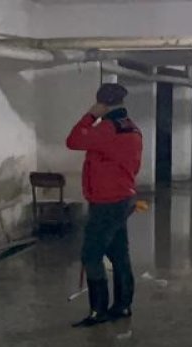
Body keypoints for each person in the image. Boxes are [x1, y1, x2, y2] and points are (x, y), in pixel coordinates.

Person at [66, 82, 144, 327]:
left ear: (102, 103)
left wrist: (90, 116)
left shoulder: (106, 130)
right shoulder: (131, 128)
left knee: (91, 255)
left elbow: (73, 140)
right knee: (119, 253)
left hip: (106, 203)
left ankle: (98, 311)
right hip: (122, 199)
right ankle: (122, 306)